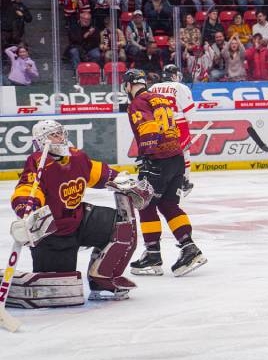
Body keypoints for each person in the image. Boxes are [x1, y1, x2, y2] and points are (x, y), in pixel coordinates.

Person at [7, 120, 151, 306]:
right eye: (53, 135)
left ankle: (102, 279)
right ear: (41, 141)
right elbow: (27, 189)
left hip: (79, 219)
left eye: (60, 133)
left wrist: (123, 181)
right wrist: (26, 210)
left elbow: (98, 173)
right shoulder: (37, 163)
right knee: (59, 289)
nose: (59, 137)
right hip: (54, 233)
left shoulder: (77, 157)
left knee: (122, 227)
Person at [122, 69, 207, 277]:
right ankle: (189, 248)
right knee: (169, 204)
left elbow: (149, 128)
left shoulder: (138, 102)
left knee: (145, 204)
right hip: (176, 158)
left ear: (129, 85)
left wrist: (149, 156)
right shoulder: (159, 98)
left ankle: (152, 255)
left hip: (158, 161)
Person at [148, 64, 196, 196]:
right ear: (174, 75)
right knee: (183, 154)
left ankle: (157, 181)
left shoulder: (153, 88)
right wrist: (189, 120)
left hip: (158, 126)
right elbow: (190, 113)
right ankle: (183, 182)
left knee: (159, 154)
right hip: (178, 125)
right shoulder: (181, 87)